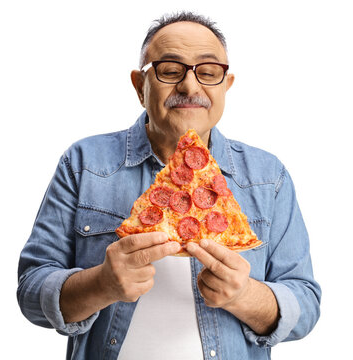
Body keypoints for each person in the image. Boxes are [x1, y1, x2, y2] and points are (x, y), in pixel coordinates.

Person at [17, 11, 321, 360]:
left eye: (208, 72)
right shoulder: (84, 162)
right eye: (170, 70)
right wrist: (101, 284)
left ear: (226, 85)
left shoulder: (269, 176)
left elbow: (305, 305)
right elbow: (31, 291)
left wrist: (244, 296)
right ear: (139, 85)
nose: (191, 87)